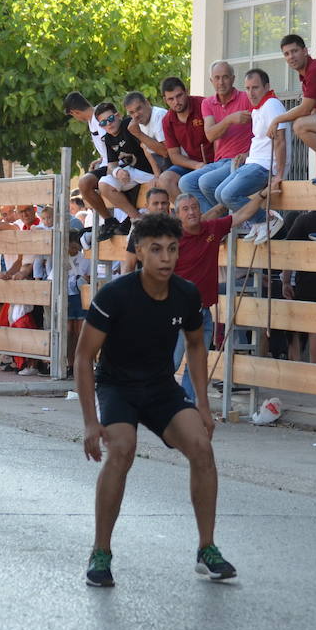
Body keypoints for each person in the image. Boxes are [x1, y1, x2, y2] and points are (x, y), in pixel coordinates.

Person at [76, 212, 237, 587]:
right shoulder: (114, 295)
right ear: (140, 252)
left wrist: (202, 405)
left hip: (161, 387)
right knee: (122, 449)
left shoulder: (186, 294)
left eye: (172, 249)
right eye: (156, 250)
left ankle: (206, 548)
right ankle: (101, 551)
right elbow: (83, 358)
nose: (166, 258)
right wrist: (89, 421)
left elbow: (197, 347)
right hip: (117, 386)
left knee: (201, 446)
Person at [170, 190, 262, 405]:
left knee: (197, 364)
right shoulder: (172, 241)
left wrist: (261, 196)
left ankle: (187, 407)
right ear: (177, 215)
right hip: (177, 313)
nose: (191, 212)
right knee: (171, 363)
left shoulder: (211, 229)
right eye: (186, 209)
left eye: (194, 207)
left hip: (203, 313)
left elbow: (240, 216)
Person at [214, 69, 288, 244]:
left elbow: (280, 141)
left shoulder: (271, 104)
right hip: (252, 163)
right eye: (247, 88)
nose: (250, 93)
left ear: (267, 87)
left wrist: (279, 174)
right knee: (218, 193)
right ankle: (257, 222)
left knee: (228, 195)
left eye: (255, 87)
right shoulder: (257, 109)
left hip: (264, 167)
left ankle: (266, 220)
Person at [271, 34, 316, 185]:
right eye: (286, 54)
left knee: (299, 124)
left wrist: (277, 119)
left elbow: (305, 109)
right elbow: (315, 112)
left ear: (305, 51)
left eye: (294, 51)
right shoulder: (305, 75)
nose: (291, 56)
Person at [182, 61, 256, 211]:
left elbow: (262, 132)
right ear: (211, 81)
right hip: (219, 162)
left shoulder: (246, 98)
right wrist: (230, 119)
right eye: (216, 78)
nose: (221, 82)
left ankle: (223, 224)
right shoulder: (208, 103)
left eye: (225, 77)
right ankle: (219, 223)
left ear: (233, 79)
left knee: (206, 182)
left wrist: (249, 154)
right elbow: (210, 135)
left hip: (241, 160)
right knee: (185, 182)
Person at [87, 102, 158, 242]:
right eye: (103, 123)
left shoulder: (129, 125)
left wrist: (158, 175)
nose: (108, 124)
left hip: (150, 171)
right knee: (104, 183)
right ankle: (136, 218)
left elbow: (148, 149)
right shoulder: (108, 138)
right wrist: (117, 172)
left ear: (117, 115)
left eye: (110, 119)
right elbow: (111, 165)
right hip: (133, 172)